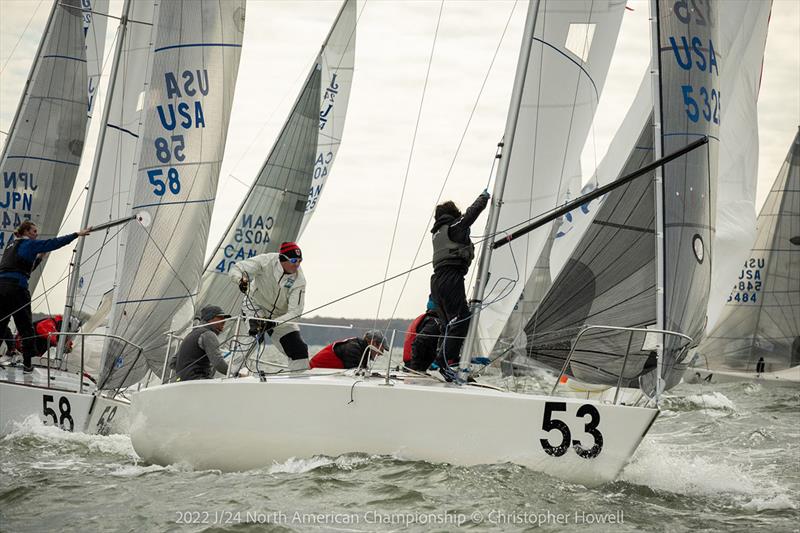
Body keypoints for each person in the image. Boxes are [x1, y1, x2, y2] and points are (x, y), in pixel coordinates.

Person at [0, 221, 91, 373]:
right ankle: (28, 364)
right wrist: (76, 234)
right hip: (16, 289)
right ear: (27, 232)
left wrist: (40, 258)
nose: (36, 234)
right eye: (34, 231)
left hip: (1, 287)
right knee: (25, 328)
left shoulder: (11, 245)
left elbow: (23, 269)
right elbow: (53, 243)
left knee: (1, 325)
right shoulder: (29, 244)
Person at [430, 190, 489, 377]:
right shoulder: (453, 226)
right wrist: (483, 199)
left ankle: (442, 363)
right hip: (450, 278)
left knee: (449, 323)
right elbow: (470, 215)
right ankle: (443, 363)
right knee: (462, 319)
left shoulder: (438, 232)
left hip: (437, 281)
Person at [230, 241, 310, 371]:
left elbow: (296, 312)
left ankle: (298, 382)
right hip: (255, 306)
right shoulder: (265, 261)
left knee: (299, 349)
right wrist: (240, 280)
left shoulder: (299, 280)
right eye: (294, 260)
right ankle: (233, 372)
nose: (297, 264)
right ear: (282, 259)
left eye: (300, 260)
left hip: (280, 316)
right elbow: (237, 268)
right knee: (255, 336)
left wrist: (274, 323)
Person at [172, 305, 231, 381]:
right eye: (220, 318)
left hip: (182, 381)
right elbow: (218, 363)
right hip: (198, 381)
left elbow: (173, 362)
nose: (224, 321)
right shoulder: (208, 334)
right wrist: (236, 373)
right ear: (210, 318)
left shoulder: (190, 335)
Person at [310, 330, 388, 369]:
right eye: (381, 349)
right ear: (373, 343)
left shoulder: (361, 350)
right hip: (313, 373)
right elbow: (353, 374)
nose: (381, 353)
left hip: (320, 375)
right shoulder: (353, 348)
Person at [403, 297, 443, 372]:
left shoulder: (428, 319)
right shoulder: (434, 322)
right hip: (419, 368)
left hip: (410, 366)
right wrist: (415, 370)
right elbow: (419, 342)